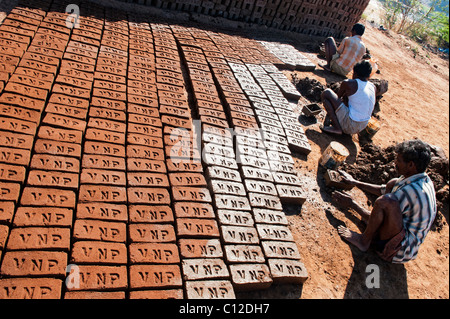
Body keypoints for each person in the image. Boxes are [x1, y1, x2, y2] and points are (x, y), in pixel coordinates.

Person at [333, 140, 437, 263]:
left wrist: (352, 204)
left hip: (397, 251)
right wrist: (355, 182)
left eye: (398, 160)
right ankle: (373, 235)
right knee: (392, 184)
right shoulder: (419, 177)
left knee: (385, 201)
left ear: (411, 165)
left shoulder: (411, 192)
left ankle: (364, 241)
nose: (395, 163)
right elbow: (383, 190)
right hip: (401, 235)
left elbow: (382, 209)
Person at [320, 60, 376, 135]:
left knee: (327, 93)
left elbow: (337, 98)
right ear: (369, 76)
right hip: (361, 127)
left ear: (355, 73)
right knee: (347, 99)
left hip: (349, 125)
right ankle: (339, 125)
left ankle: (337, 128)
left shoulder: (349, 83)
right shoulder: (373, 86)